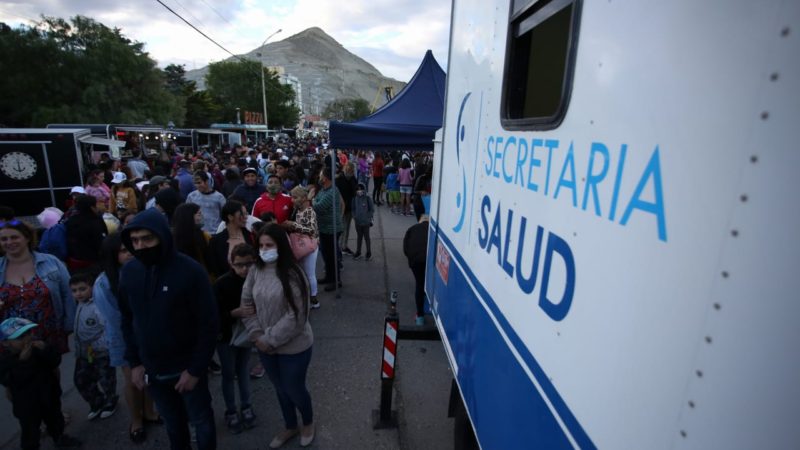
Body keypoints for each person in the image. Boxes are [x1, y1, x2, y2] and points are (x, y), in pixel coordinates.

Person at [118, 208, 219, 450]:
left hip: (187, 370)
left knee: (201, 421)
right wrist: (135, 362)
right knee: (174, 426)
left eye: (147, 238)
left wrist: (195, 370)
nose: (140, 246)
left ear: (162, 236)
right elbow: (127, 318)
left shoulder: (190, 271)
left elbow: (209, 324)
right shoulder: (130, 272)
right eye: (134, 240)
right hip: (154, 372)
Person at [241, 224, 315, 448]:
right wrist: (256, 335)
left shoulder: (293, 274)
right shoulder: (255, 270)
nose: (264, 249)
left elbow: (297, 316)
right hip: (265, 346)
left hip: (294, 347)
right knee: (280, 389)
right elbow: (246, 304)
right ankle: (290, 425)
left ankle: (308, 422)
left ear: (280, 247)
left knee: (294, 388)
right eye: (261, 245)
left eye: (269, 245)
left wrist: (269, 339)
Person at [93, 233, 160, 444]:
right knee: (133, 380)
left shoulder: (145, 269)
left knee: (149, 377)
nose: (129, 254)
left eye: (130, 249)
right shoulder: (104, 283)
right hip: (123, 337)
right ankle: (136, 420)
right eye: (123, 251)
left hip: (148, 332)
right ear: (113, 255)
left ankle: (149, 411)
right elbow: (114, 318)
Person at [0, 317, 82, 449]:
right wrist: (23, 362)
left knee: (55, 419)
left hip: (48, 395)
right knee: (30, 431)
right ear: (6, 343)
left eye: (29, 333)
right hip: (27, 404)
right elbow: (9, 380)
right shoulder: (6, 361)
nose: (27, 339)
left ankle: (59, 438)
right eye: (20, 337)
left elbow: (54, 361)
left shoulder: (37, 350)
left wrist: (46, 349)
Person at [0, 220, 74, 356]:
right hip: (10, 341)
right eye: (4, 239)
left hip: (47, 333)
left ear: (27, 238)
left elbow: (68, 294)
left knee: (49, 374)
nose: (9, 242)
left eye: (14, 237)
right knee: (13, 375)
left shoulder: (51, 262)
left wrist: (69, 325)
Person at [213, 243, 257, 434]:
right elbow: (213, 315)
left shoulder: (256, 281)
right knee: (229, 374)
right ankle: (231, 410)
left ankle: (246, 406)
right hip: (226, 337)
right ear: (231, 263)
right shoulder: (221, 284)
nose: (244, 269)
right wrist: (233, 313)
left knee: (244, 370)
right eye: (240, 265)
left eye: (248, 264)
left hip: (247, 335)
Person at [70, 272, 118, 420]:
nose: (78, 293)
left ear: (92, 287)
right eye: (74, 290)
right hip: (84, 353)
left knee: (106, 379)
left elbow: (106, 327)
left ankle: (111, 401)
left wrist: (101, 346)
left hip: (101, 352)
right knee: (81, 379)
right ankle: (96, 402)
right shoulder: (79, 304)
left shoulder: (97, 306)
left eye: (82, 289)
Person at [283, 186, 320, 308]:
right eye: (292, 197)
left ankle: (313, 298)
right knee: (304, 272)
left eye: (295, 197)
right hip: (302, 245)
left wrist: (294, 225)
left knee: (310, 273)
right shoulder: (298, 209)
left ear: (303, 198)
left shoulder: (309, 211)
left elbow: (312, 230)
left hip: (310, 245)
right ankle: (307, 295)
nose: (292, 200)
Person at [313, 167, 344, 292]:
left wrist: (312, 200)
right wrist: (315, 200)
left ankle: (336, 280)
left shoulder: (332, 191)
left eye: (321, 175)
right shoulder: (324, 190)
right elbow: (318, 201)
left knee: (332, 256)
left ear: (325, 178)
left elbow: (319, 207)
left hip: (332, 228)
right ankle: (329, 277)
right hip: (324, 227)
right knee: (326, 254)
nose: (319, 178)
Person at [209, 200, 255, 277]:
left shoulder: (252, 236)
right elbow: (214, 268)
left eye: (246, 214)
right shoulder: (216, 241)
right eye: (242, 214)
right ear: (230, 217)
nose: (246, 217)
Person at [65, 194, 108, 273]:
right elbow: (102, 244)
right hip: (94, 265)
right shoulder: (95, 222)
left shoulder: (71, 220)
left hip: (74, 265)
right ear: (92, 207)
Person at [403, 215, 430, 326]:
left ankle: (420, 316)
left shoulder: (411, 229)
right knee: (427, 283)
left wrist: (411, 260)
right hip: (427, 260)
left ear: (420, 221)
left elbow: (405, 248)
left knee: (419, 284)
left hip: (415, 260)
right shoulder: (432, 229)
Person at [172, 203, 213, 276]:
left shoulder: (204, 236)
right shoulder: (202, 236)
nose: (201, 217)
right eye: (199, 214)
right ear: (189, 216)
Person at [335, 162, 358, 254]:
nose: (350, 172)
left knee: (347, 227)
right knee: (342, 228)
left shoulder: (353, 179)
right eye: (348, 170)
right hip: (341, 208)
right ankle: (340, 247)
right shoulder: (339, 179)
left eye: (351, 171)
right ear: (345, 169)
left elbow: (355, 190)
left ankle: (344, 246)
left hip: (349, 207)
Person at [351, 183, 374, 261]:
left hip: (366, 222)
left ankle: (368, 252)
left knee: (367, 237)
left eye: (361, 189)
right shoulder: (354, 199)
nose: (359, 191)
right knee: (359, 237)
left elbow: (371, 209)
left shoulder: (367, 198)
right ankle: (358, 252)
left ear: (364, 190)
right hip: (358, 222)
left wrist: (368, 217)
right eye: (358, 189)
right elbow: (353, 209)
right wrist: (354, 217)